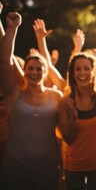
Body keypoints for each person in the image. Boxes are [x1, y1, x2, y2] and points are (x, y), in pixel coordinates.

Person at [0, 11, 63, 189]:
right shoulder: (14, 94)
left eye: (39, 69)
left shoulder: (56, 96)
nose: (34, 72)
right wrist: (12, 29)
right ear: (24, 70)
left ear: (45, 72)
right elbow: (5, 61)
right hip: (15, 169)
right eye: (30, 68)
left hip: (46, 170)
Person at [58, 33, 96, 189]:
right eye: (78, 69)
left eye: (86, 68)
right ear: (72, 74)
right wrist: (73, 118)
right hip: (73, 167)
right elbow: (67, 138)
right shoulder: (66, 101)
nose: (82, 73)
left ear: (93, 71)